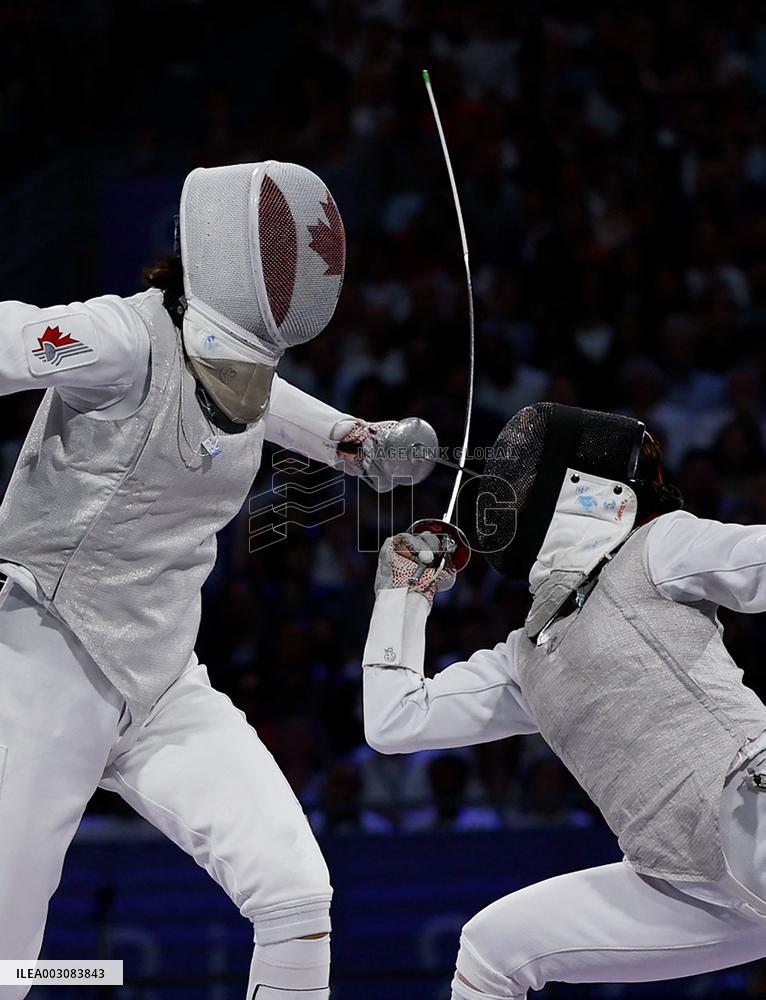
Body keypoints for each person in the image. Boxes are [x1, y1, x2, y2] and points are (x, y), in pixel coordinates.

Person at [0, 160, 436, 1000]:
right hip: (46, 659)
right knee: (9, 968)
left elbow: (259, 395)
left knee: (298, 895)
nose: (246, 390)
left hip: (162, 680)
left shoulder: (241, 368)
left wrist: (357, 439)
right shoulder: (120, 340)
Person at [362, 401, 766, 1000]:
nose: (508, 491)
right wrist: (404, 595)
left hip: (753, 806)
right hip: (687, 888)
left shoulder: (658, 547)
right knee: (491, 951)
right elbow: (393, 721)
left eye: (525, 474)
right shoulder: (525, 657)